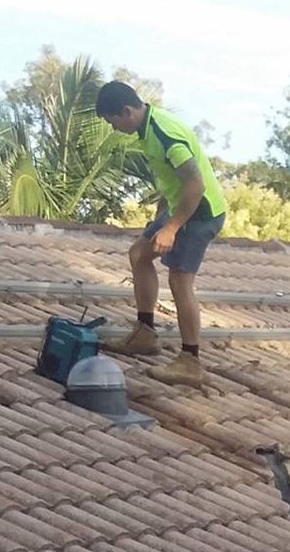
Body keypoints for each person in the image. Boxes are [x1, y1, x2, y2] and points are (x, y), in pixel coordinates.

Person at [94, 80, 227, 388]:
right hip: (181, 206)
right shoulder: (147, 128)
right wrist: (163, 210)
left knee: (180, 280)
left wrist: (171, 227)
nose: (112, 128)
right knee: (139, 254)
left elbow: (195, 184)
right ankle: (145, 334)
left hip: (201, 213)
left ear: (126, 111)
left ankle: (191, 362)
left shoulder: (164, 133)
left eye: (111, 121)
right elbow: (173, 177)